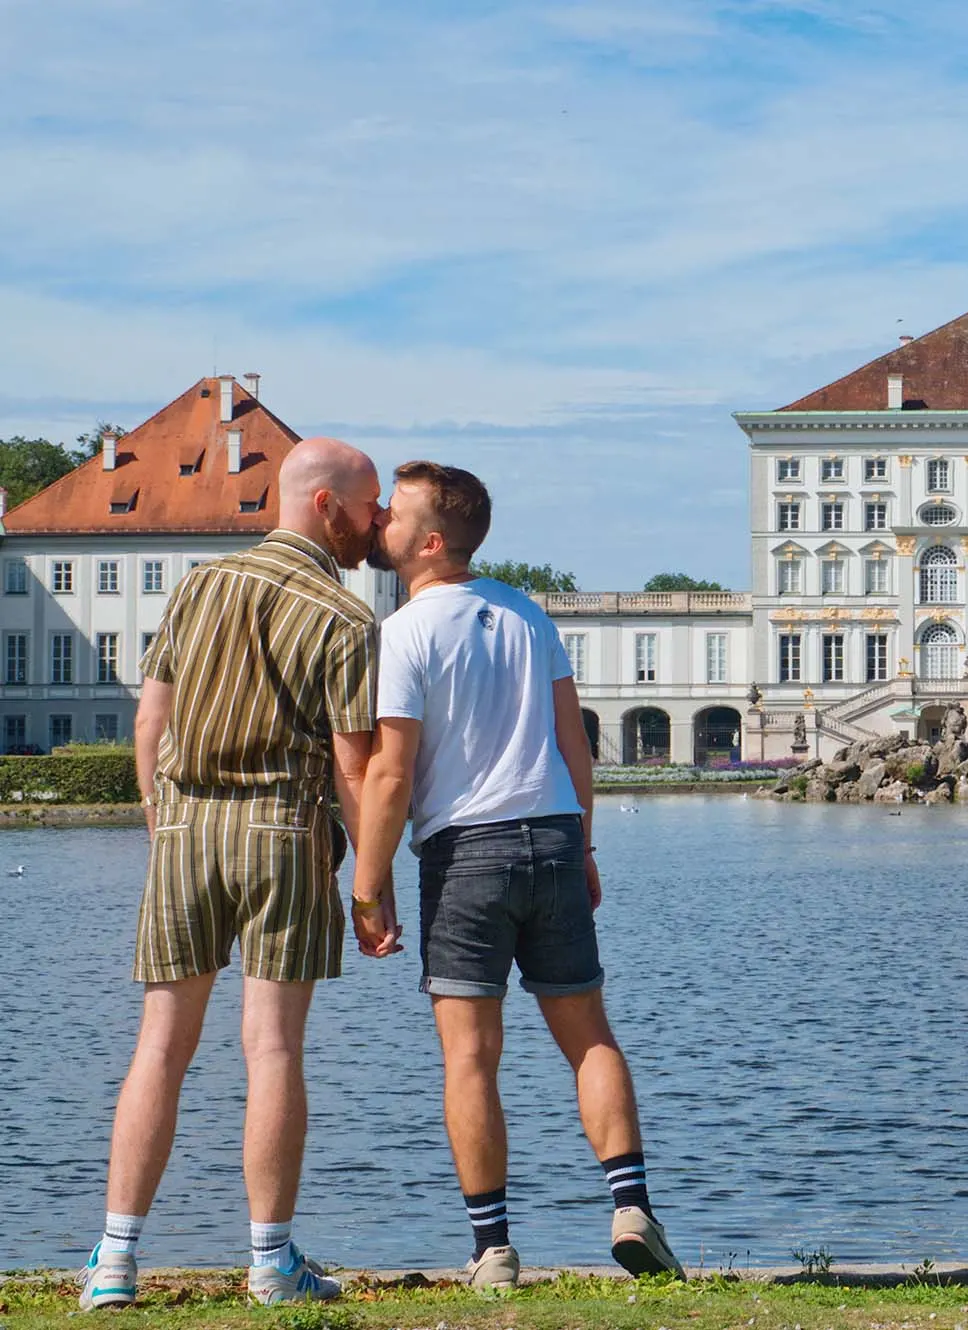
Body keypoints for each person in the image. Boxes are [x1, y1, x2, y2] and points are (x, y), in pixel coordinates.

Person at [353, 462, 683, 1292]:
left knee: (470, 1057)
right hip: (553, 836)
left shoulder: (406, 632)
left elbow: (391, 775)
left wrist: (366, 881)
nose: (381, 520)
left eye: (395, 513)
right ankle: (632, 1208)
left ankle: (493, 1249)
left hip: (465, 855)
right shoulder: (527, 612)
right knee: (589, 1035)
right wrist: (585, 846)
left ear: (429, 542)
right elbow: (576, 745)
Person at [79, 439, 382, 1310]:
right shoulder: (343, 616)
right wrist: (370, 884)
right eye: (366, 507)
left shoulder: (200, 584)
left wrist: (159, 817)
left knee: (159, 1047)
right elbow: (356, 770)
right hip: (284, 833)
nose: (375, 525)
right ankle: (270, 1263)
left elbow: (152, 721)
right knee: (274, 1047)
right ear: (327, 506)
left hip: (184, 830)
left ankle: (114, 1261)